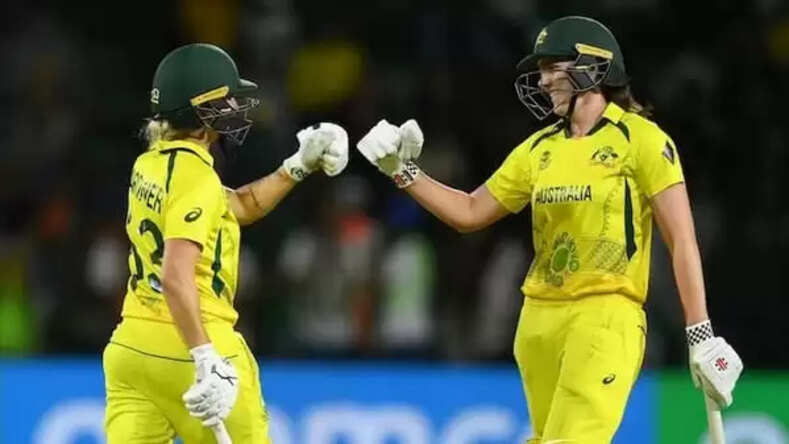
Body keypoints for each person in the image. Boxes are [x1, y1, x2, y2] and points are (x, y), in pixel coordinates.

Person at [356, 16, 742, 443]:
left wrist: (700, 332)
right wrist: (403, 171)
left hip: (604, 316)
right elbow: (470, 211)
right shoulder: (539, 149)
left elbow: (681, 239)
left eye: (552, 68)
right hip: (538, 322)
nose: (542, 81)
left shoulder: (642, 140)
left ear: (593, 66)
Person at [102, 43, 348, 443]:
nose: (235, 107)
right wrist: (205, 356)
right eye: (227, 99)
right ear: (202, 110)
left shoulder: (150, 163)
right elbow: (176, 275)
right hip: (193, 341)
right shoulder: (197, 176)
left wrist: (298, 166)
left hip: (131, 348)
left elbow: (238, 206)